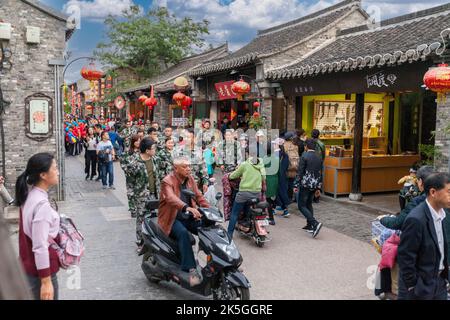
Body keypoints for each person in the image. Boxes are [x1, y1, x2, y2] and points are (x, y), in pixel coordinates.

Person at [158, 157, 210, 287]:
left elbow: (198, 195)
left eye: (189, 166)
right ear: (176, 168)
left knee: (209, 227)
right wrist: (187, 207)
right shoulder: (167, 181)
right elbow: (170, 198)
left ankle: (215, 261)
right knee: (183, 234)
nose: (188, 169)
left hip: (188, 216)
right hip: (172, 218)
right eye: (184, 167)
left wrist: (210, 210)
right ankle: (190, 269)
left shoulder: (190, 179)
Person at [397, 172, 450, 300]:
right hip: (421, 287)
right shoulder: (416, 219)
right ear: (433, 192)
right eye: (449, 191)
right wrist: (413, 286)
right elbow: (405, 256)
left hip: (440, 283)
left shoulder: (445, 215)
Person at [16, 153, 60, 300]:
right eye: (54, 168)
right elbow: (40, 246)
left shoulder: (29, 196)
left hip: (29, 269)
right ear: (43, 175)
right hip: (40, 273)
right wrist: (46, 282)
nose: (57, 171)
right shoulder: (42, 205)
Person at [379, 166, 435, 230]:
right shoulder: (442, 198)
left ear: (420, 181)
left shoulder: (418, 201)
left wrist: (382, 218)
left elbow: (397, 223)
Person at [128, 138, 159, 247]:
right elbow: (130, 183)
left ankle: (153, 241)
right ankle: (140, 243)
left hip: (154, 195)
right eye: (153, 148)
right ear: (147, 150)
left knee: (154, 218)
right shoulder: (134, 162)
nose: (155, 150)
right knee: (141, 219)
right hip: (141, 196)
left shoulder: (155, 159)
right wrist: (131, 203)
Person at [227, 156, 266, 239]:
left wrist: (229, 176)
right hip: (257, 193)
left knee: (234, 213)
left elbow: (234, 175)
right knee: (248, 206)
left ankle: (229, 234)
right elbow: (264, 177)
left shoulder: (245, 164)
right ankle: (246, 223)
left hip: (244, 193)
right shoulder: (261, 164)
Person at [294, 138, 323, 238]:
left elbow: (300, 171)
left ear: (306, 146)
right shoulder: (319, 156)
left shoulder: (304, 155)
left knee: (301, 205)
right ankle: (310, 224)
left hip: (306, 183)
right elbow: (320, 172)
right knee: (309, 203)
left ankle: (314, 223)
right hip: (315, 183)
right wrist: (319, 187)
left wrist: (296, 184)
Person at [264, 139, 283, 225]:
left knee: (267, 200)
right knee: (270, 199)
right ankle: (269, 216)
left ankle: (271, 218)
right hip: (275, 180)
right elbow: (279, 172)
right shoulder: (276, 158)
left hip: (267, 180)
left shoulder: (264, 158)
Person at [275, 142, 291, 218]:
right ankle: (284, 209)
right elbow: (287, 165)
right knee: (282, 191)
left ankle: (275, 209)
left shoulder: (275, 154)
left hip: (276, 175)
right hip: (283, 176)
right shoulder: (285, 155)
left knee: (276, 192)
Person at [283, 131, 300, 202]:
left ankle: (285, 198)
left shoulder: (283, 146)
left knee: (284, 183)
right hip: (294, 167)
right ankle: (290, 198)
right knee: (291, 183)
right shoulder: (295, 146)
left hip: (286, 167)